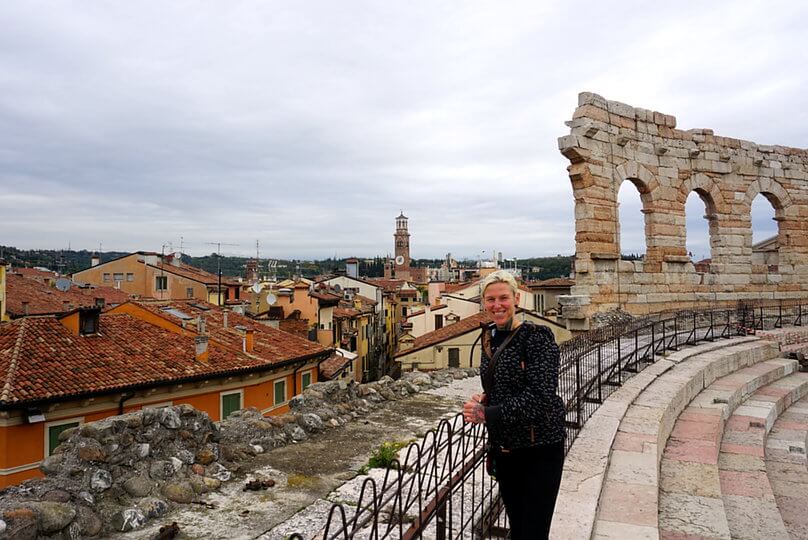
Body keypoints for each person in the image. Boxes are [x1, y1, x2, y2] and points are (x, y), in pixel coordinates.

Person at [462, 270, 565, 539]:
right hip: (506, 449)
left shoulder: (537, 338)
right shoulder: (488, 338)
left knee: (533, 531)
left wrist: (487, 413)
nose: (497, 305)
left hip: (539, 448)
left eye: (503, 298)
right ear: (484, 303)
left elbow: (541, 397)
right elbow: (501, 384)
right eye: (491, 299)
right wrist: (486, 398)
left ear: (516, 298)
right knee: (518, 526)